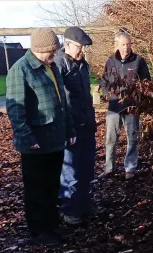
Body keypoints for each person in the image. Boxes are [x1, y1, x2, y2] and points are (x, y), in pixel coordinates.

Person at [6, 28, 77, 246]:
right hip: (35, 143)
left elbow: (62, 104)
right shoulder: (21, 70)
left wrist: (69, 130)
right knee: (37, 189)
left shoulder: (52, 67)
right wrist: (28, 138)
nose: (54, 54)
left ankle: (52, 225)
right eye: (51, 51)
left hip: (54, 140)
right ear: (39, 49)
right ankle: (38, 230)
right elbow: (15, 110)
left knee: (51, 186)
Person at [55, 27, 101, 226]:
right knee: (70, 172)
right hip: (71, 129)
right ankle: (69, 210)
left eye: (84, 48)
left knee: (86, 169)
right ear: (67, 44)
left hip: (86, 126)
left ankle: (83, 204)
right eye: (79, 47)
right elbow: (62, 101)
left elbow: (85, 98)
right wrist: (68, 128)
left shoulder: (83, 65)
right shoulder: (59, 64)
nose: (82, 51)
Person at [100, 32, 151, 179]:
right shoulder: (110, 61)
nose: (126, 47)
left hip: (132, 107)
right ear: (117, 45)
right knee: (111, 138)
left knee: (132, 137)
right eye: (123, 44)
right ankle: (109, 168)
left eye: (128, 44)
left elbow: (146, 82)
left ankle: (130, 168)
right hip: (114, 106)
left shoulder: (139, 61)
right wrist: (107, 94)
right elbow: (104, 81)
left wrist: (138, 97)